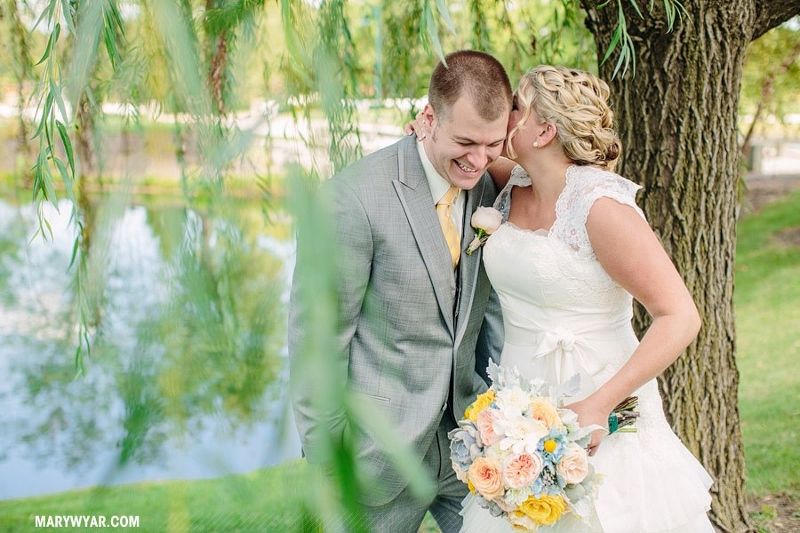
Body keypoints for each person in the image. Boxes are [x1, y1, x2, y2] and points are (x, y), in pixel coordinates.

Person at [459, 65, 714, 532]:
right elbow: (463, 149)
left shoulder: (601, 208)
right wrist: (429, 131)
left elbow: (680, 316)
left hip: (600, 395)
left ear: (544, 132)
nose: (503, 112)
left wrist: (601, 403)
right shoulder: (513, 183)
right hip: (520, 401)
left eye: (516, 106)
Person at [288, 50, 511, 533]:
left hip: (473, 451)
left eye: (493, 144)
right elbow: (318, 343)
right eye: (465, 142)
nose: (478, 160)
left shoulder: (492, 190)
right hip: (375, 458)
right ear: (428, 119)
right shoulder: (351, 199)